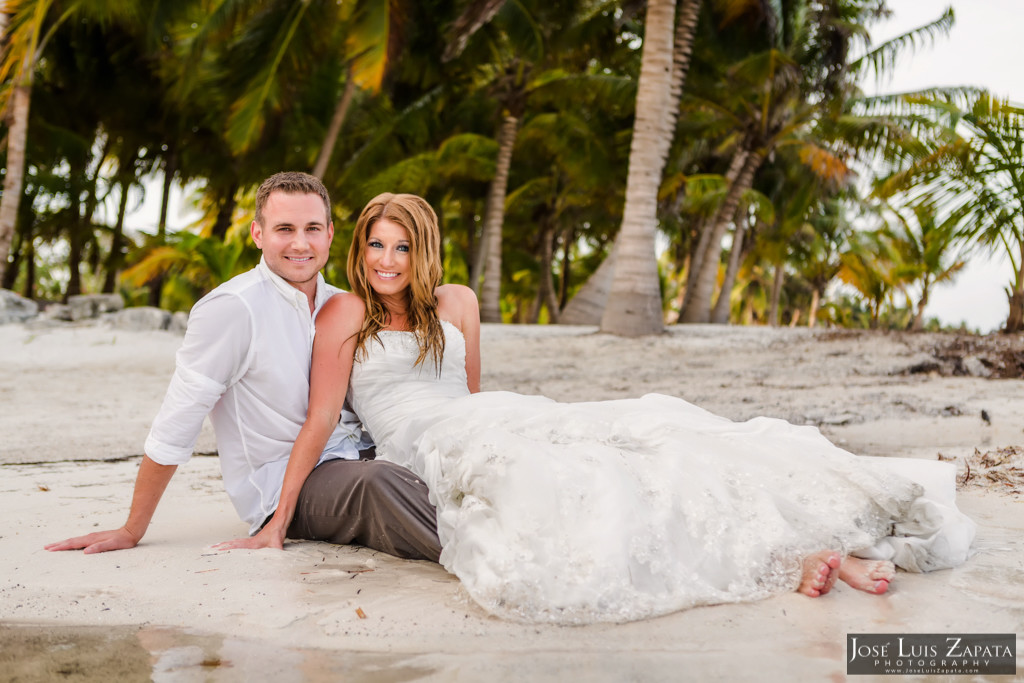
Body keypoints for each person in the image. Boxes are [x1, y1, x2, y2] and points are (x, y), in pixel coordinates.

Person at [240, 192, 976, 625]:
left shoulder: (455, 301)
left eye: (401, 246)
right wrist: (278, 522)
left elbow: (472, 389)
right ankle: (800, 558)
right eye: (375, 244)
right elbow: (321, 418)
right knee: (574, 491)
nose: (387, 260)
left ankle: (822, 540)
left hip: (485, 419)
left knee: (646, 438)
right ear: (359, 249)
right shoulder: (343, 317)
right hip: (421, 445)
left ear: (424, 248)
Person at [46, 173, 441, 562]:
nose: (300, 243)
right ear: (257, 234)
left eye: (312, 228)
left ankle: (494, 531)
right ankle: (481, 556)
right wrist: (132, 528)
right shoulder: (231, 310)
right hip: (288, 490)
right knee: (379, 484)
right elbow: (176, 424)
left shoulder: (344, 304)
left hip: (362, 457)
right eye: (284, 229)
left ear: (330, 234)